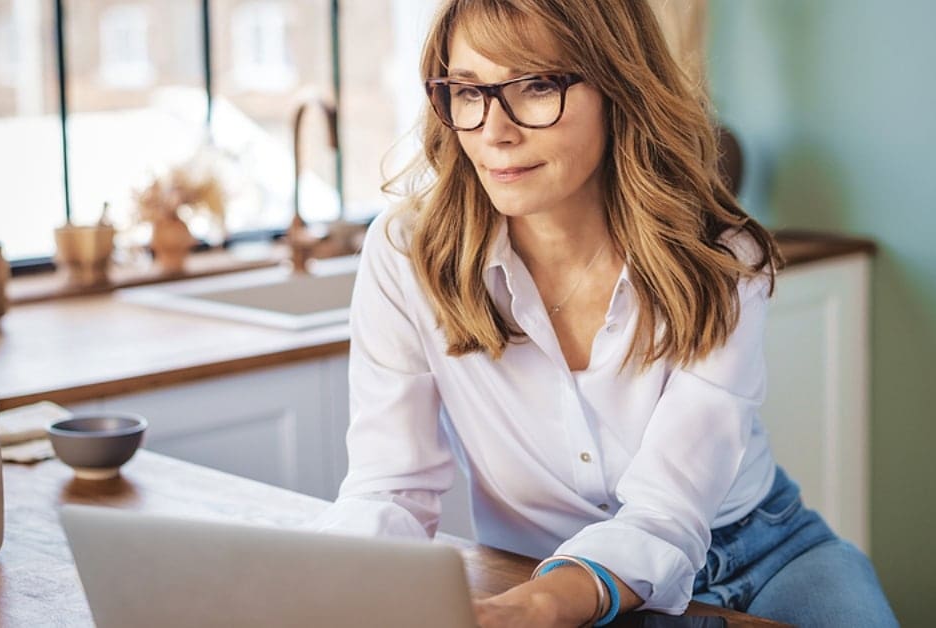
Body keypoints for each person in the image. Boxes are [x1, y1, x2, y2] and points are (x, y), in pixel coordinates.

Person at [310, 0, 898, 626]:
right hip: (543, 572)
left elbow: (667, 509)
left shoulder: (718, 257)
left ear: (619, 85)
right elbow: (390, 488)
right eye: (467, 91)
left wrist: (544, 602)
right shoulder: (408, 255)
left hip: (764, 552)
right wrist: (322, 580)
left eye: (536, 85)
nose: (494, 131)